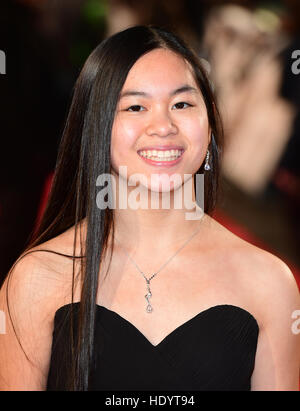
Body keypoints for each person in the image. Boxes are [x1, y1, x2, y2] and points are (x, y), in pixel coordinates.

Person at [0, 25, 299, 391]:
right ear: (95, 124)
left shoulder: (269, 281)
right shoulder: (37, 278)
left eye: (182, 104)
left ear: (209, 126)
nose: (163, 126)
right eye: (136, 106)